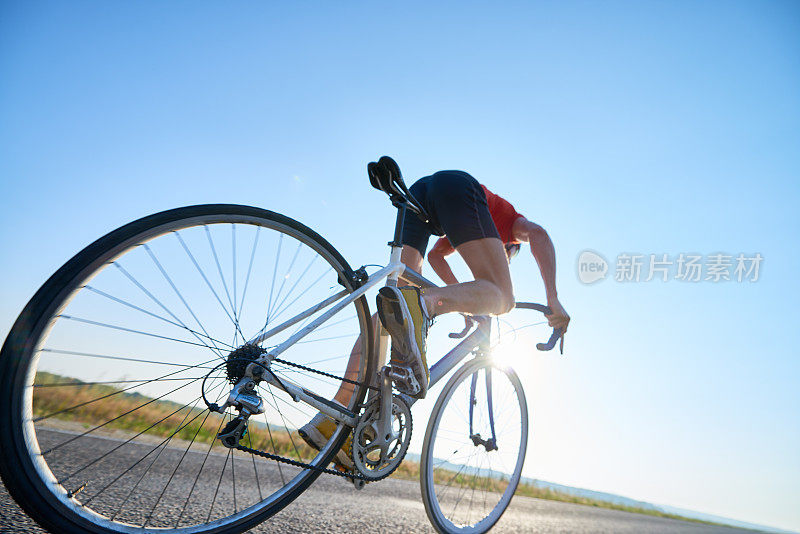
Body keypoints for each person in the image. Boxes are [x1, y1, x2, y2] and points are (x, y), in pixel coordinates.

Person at [299, 163, 570, 472]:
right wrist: (553, 299)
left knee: (395, 302)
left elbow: (436, 256)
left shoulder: (466, 224)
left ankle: (334, 414)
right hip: (458, 187)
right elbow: (539, 234)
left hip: (423, 194)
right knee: (503, 298)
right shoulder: (508, 224)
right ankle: (422, 307)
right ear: (507, 247)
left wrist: (463, 304)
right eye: (505, 254)